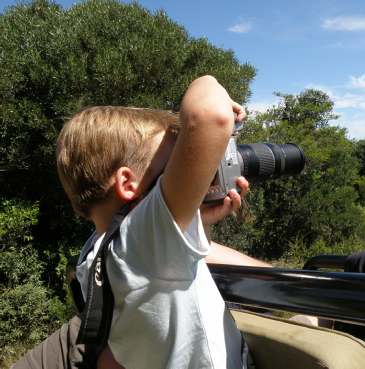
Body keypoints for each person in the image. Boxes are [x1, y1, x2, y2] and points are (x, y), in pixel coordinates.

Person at [14, 75, 267, 369]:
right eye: (171, 167)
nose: (184, 175)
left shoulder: (95, 254)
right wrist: (207, 83)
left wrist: (197, 226)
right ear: (127, 182)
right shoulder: (142, 236)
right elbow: (210, 115)